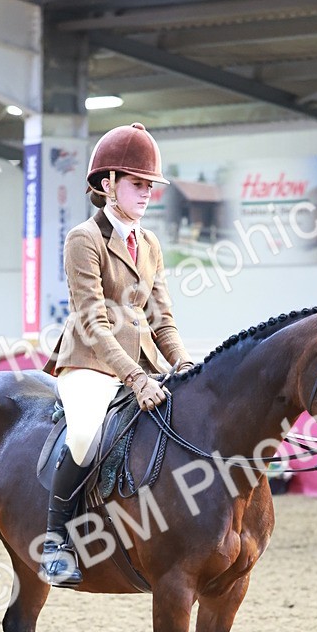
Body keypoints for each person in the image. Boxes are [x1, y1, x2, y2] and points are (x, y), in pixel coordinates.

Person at [40, 122, 195, 586]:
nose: (146, 193)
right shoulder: (83, 239)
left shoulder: (150, 244)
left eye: (150, 185)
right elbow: (93, 320)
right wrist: (135, 378)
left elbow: (162, 317)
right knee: (86, 436)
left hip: (143, 364)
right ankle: (55, 540)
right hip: (89, 362)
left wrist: (183, 365)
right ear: (108, 184)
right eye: (137, 184)